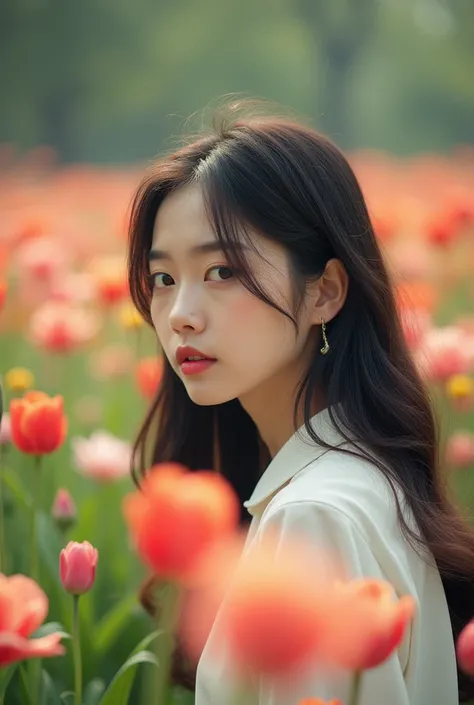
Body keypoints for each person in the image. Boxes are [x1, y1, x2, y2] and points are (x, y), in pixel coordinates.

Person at [127, 101, 474, 705]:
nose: (180, 315)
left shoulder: (314, 516)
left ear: (326, 292)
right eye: (163, 279)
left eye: (222, 271)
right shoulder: (362, 480)